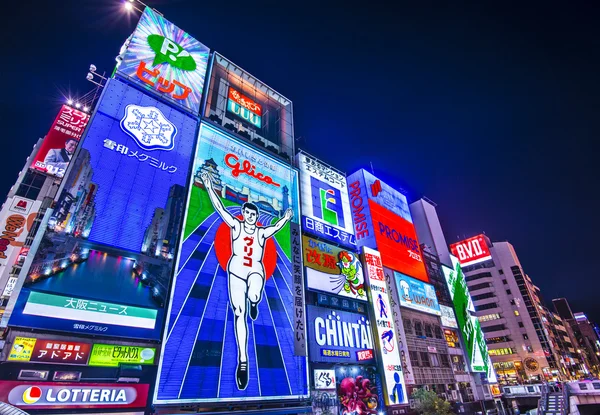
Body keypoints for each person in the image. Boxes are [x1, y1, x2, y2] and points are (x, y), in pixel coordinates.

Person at [200, 171, 293, 390]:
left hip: (255, 271)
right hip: (236, 271)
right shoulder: (236, 226)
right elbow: (220, 208)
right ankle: (243, 361)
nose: (251, 216)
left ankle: (254, 301)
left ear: (256, 216)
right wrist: (208, 186)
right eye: (248, 213)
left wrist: (287, 218)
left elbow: (276, 227)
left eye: (254, 214)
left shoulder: (261, 232)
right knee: (238, 314)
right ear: (243, 213)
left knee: (254, 294)